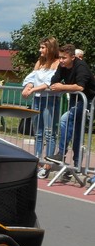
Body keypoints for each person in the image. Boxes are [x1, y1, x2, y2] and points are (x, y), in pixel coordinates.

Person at [46, 44, 95, 177]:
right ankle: (77, 165)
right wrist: (57, 85)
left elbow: (80, 87)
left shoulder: (81, 67)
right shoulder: (62, 66)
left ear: (73, 57)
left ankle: (61, 153)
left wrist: (62, 87)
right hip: (76, 99)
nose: (61, 60)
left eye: (64, 58)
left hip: (88, 100)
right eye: (60, 57)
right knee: (77, 130)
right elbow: (54, 81)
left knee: (64, 120)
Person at [21, 36, 61, 178]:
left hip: (50, 101)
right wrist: (28, 86)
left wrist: (33, 90)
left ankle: (48, 163)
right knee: (38, 132)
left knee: (49, 133)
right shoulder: (40, 62)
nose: (40, 50)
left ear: (50, 48)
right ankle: (37, 160)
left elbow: (50, 82)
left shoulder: (57, 63)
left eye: (43, 47)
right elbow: (31, 78)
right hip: (38, 100)